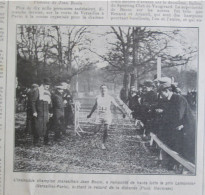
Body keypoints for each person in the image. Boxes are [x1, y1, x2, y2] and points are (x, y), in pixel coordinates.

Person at [158, 82, 196, 170]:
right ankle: (173, 164)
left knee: (186, 150)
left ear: (167, 91)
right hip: (178, 127)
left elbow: (178, 115)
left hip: (187, 128)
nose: (160, 96)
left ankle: (188, 168)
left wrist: (163, 112)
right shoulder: (168, 100)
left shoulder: (179, 99)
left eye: (161, 93)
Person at [87, 85, 126, 150]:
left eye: (105, 88)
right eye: (102, 88)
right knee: (96, 130)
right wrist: (90, 114)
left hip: (107, 115)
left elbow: (116, 106)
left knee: (106, 130)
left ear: (107, 90)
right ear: (100, 90)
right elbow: (95, 106)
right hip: (99, 115)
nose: (103, 90)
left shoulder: (110, 98)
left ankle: (103, 144)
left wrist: (123, 112)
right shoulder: (97, 97)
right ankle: (94, 142)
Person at [31, 78, 52, 145]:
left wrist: (50, 112)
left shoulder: (48, 92)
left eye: (49, 85)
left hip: (46, 112)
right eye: (46, 85)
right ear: (43, 84)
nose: (48, 86)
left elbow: (50, 103)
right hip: (39, 112)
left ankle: (46, 141)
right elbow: (33, 102)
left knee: (46, 126)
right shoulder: (38, 90)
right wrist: (34, 111)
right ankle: (36, 141)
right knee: (38, 126)